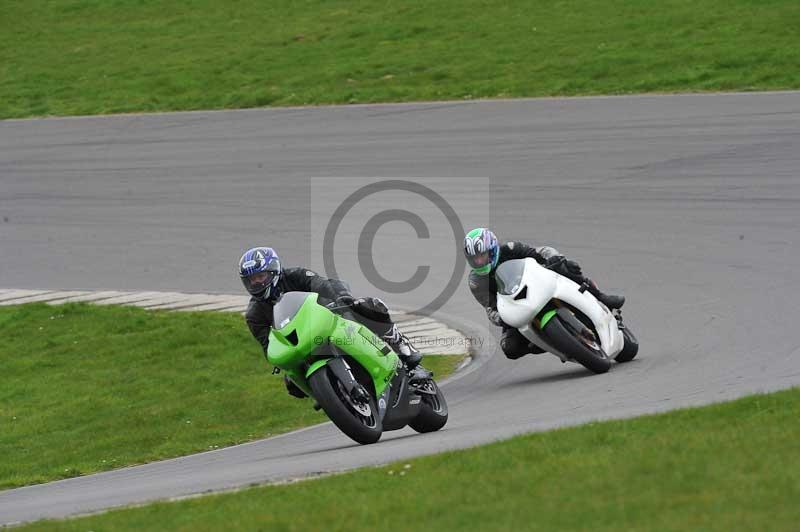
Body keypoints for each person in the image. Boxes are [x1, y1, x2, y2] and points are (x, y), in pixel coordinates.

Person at [238, 246, 422, 398]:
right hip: (303, 342)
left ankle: (401, 347)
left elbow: (323, 284)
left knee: (369, 305)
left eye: (260, 276)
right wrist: (280, 362)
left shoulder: (296, 275)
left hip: (330, 318)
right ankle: (333, 396)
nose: (257, 283)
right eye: (251, 280)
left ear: (274, 270)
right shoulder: (254, 314)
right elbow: (268, 345)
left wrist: (342, 297)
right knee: (292, 383)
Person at [463, 228, 625, 360]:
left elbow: (541, 252)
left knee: (567, 266)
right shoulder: (476, 282)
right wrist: (501, 317)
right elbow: (489, 308)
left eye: (482, 256)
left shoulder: (510, 249)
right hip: (515, 307)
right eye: (474, 259)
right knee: (510, 349)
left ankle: (600, 296)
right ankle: (548, 342)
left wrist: (554, 258)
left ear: (492, 250)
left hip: (538, 284)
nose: (479, 262)